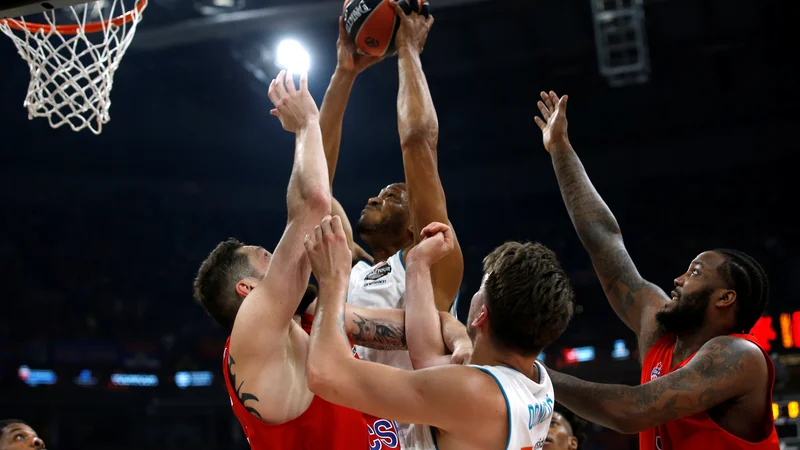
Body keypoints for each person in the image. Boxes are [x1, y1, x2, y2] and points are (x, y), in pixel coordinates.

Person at [192, 70, 470, 449]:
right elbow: (314, 204)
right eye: (266, 259)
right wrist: (306, 124)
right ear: (248, 289)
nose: (281, 261)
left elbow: (425, 324)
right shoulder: (252, 338)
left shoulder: (313, 316)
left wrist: (459, 337)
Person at [533, 90, 780, 449]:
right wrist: (559, 149)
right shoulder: (660, 329)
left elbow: (632, 410)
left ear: (726, 298)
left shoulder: (739, 356)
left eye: (695, 273)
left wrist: (530, 372)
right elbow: (605, 240)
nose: (678, 280)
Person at [304, 215, 575, 450]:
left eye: (481, 290)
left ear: (482, 315)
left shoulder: (475, 395)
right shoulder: (537, 382)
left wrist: (331, 280)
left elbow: (326, 375)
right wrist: (418, 264)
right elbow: (429, 363)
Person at [317, 1, 464, 345]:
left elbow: (417, 142)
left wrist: (407, 50)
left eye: (392, 196)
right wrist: (344, 74)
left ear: (417, 225)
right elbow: (314, 187)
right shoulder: (352, 271)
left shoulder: (435, 262)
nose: (373, 197)